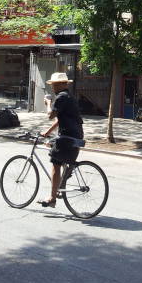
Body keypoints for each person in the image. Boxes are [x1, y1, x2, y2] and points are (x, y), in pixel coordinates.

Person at [38, 72, 84, 208]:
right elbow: (60, 119)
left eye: (54, 84)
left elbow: (50, 115)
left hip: (67, 137)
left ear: (60, 85)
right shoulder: (70, 97)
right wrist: (47, 133)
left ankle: (52, 198)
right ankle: (60, 186)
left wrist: (48, 103)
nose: (53, 87)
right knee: (58, 153)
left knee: (55, 163)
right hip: (76, 135)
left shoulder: (61, 98)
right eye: (53, 84)